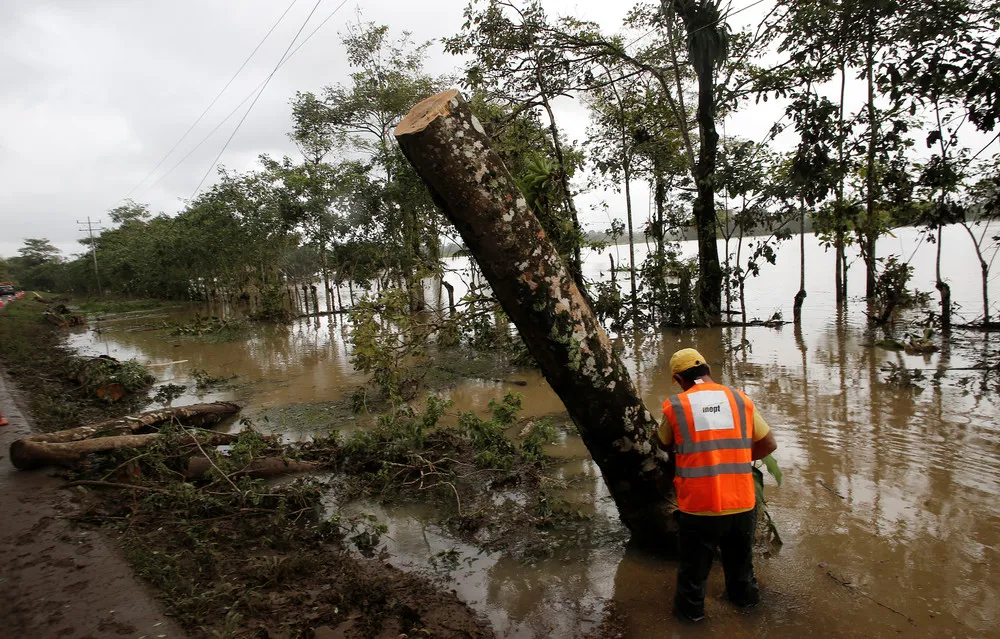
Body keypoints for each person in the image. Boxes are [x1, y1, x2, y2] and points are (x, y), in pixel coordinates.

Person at [658, 348, 778, 622]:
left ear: (678, 378)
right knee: (741, 573)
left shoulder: (675, 405)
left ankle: (690, 624)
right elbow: (768, 444)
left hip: (699, 506)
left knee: (693, 578)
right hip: (742, 503)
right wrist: (734, 457)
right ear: (708, 369)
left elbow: (663, 442)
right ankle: (749, 617)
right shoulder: (739, 399)